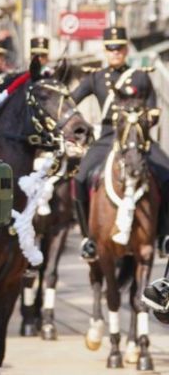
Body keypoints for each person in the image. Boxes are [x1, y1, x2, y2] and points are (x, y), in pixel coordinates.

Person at [72, 26, 169, 260]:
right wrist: (81, 129)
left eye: (119, 48)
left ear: (126, 50)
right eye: (111, 49)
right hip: (107, 137)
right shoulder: (95, 77)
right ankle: (88, 238)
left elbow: (154, 108)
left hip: (137, 137)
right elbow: (70, 103)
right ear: (105, 51)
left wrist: (145, 118)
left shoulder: (140, 76)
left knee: (167, 174)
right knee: (80, 177)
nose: (115, 53)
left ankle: (164, 236)